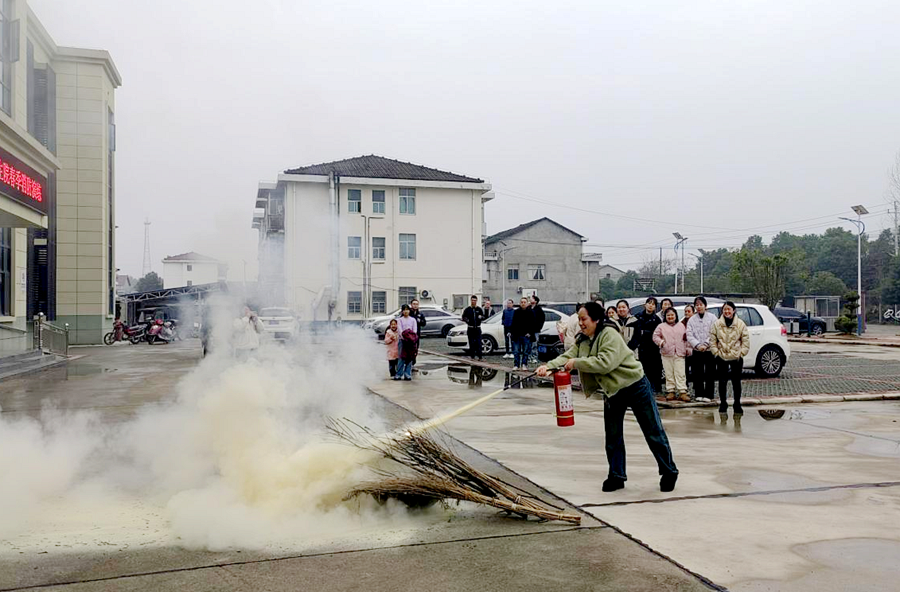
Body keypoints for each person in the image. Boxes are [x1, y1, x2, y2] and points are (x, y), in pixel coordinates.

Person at [536, 302, 678, 493]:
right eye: (579, 319)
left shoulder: (609, 334)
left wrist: (575, 363)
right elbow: (568, 355)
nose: (581, 323)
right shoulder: (583, 339)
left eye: (584, 319)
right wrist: (549, 367)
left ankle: (669, 471)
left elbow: (605, 363)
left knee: (652, 430)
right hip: (613, 391)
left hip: (635, 385)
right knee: (613, 436)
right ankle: (616, 475)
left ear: (596, 319)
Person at [709, 301, 750, 414]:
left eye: (729, 309)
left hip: (736, 357)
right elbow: (712, 340)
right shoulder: (717, 324)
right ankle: (723, 403)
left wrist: (741, 353)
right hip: (721, 356)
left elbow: (745, 340)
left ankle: (737, 403)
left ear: (734, 310)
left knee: (736, 382)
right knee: (722, 382)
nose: (727, 311)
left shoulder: (740, 324)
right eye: (725, 309)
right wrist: (716, 353)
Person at [653, 308, 691, 402]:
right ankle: (671, 391)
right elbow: (655, 336)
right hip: (666, 353)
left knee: (680, 372)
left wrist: (688, 348)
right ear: (665, 317)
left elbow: (686, 338)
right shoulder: (661, 326)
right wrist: (661, 343)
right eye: (668, 315)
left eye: (672, 315)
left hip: (679, 352)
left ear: (676, 316)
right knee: (669, 373)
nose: (670, 317)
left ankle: (682, 391)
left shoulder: (681, 325)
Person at [629, 297, 663, 395]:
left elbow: (657, 333)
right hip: (639, 347)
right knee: (641, 368)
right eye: (649, 303)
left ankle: (654, 388)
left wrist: (645, 333)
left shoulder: (657, 319)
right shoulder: (638, 317)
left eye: (653, 304)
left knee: (653, 370)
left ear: (655, 307)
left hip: (652, 348)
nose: (650, 305)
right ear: (645, 305)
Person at [687, 296, 718, 402]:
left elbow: (714, 332)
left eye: (701, 304)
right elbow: (689, 335)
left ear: (705, 306)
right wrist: (697, 345)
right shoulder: (691, 319)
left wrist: (706, 344)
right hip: (697, 350)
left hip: (709, 350)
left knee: (710, 373)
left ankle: (709, 395)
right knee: (698, 373)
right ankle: (698, 394)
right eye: (697, 305)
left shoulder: (712, 317)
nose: (699, 307)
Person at [395, 305, 418, 380]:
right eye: (404, 310)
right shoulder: (399, 320)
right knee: (401, 357)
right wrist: (404, 338)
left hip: (411, 342)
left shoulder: (413, 320)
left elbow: (414, 330)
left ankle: (407, 374)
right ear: (402, 311)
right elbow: (400, 330)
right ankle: (399, 374)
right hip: (402, 341)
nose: (406, 311)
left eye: (407, 310)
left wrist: (411, 339)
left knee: (409, 358)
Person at [511, 297, 533, 370]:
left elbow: (533, 323)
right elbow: (513, 323)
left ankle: (524, 364)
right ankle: (516, 365)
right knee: (516, 351)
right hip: (517, 335)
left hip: (526, 335)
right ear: (520, 303)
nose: (523, 303)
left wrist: (530, 333)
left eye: (524, 302)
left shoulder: (530, 312)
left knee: (525, 351)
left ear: (527, 303)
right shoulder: (516, 312)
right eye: (522, 302)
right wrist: (512, 333)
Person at [462, 295, 485, 360]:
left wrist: (481, 317)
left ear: (476, 301)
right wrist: (467, 320)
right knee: (471, 343)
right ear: (470, 301)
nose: (473, 302)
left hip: (477, 328)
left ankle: (480, 356)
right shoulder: (467, 309)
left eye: (474, 300)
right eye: (472, 300)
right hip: (470, 328)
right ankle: (472, 356)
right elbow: (463, 317)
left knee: (479, 342)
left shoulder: (479, 309)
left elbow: (483, 317)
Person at [681, 305, 695, 392]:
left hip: (694, 349)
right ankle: (684, 386)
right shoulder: (682, 323)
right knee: (684, 369)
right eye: (685, 311)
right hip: (684, 349)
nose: (686, 313)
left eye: (689, 311)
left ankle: (696, 386)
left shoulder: (695, 322)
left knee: (695, 370)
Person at [529, 295, 545, 365]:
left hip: (535, 330)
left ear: (535, 301)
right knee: (528, 344)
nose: (530, 300)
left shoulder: (538, 309)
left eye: (532, 299)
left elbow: (542, 319)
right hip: (529, 330)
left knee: (534, 344)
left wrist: (539, 327)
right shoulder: (528, 308)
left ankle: (534, 357)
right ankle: (529, 358)